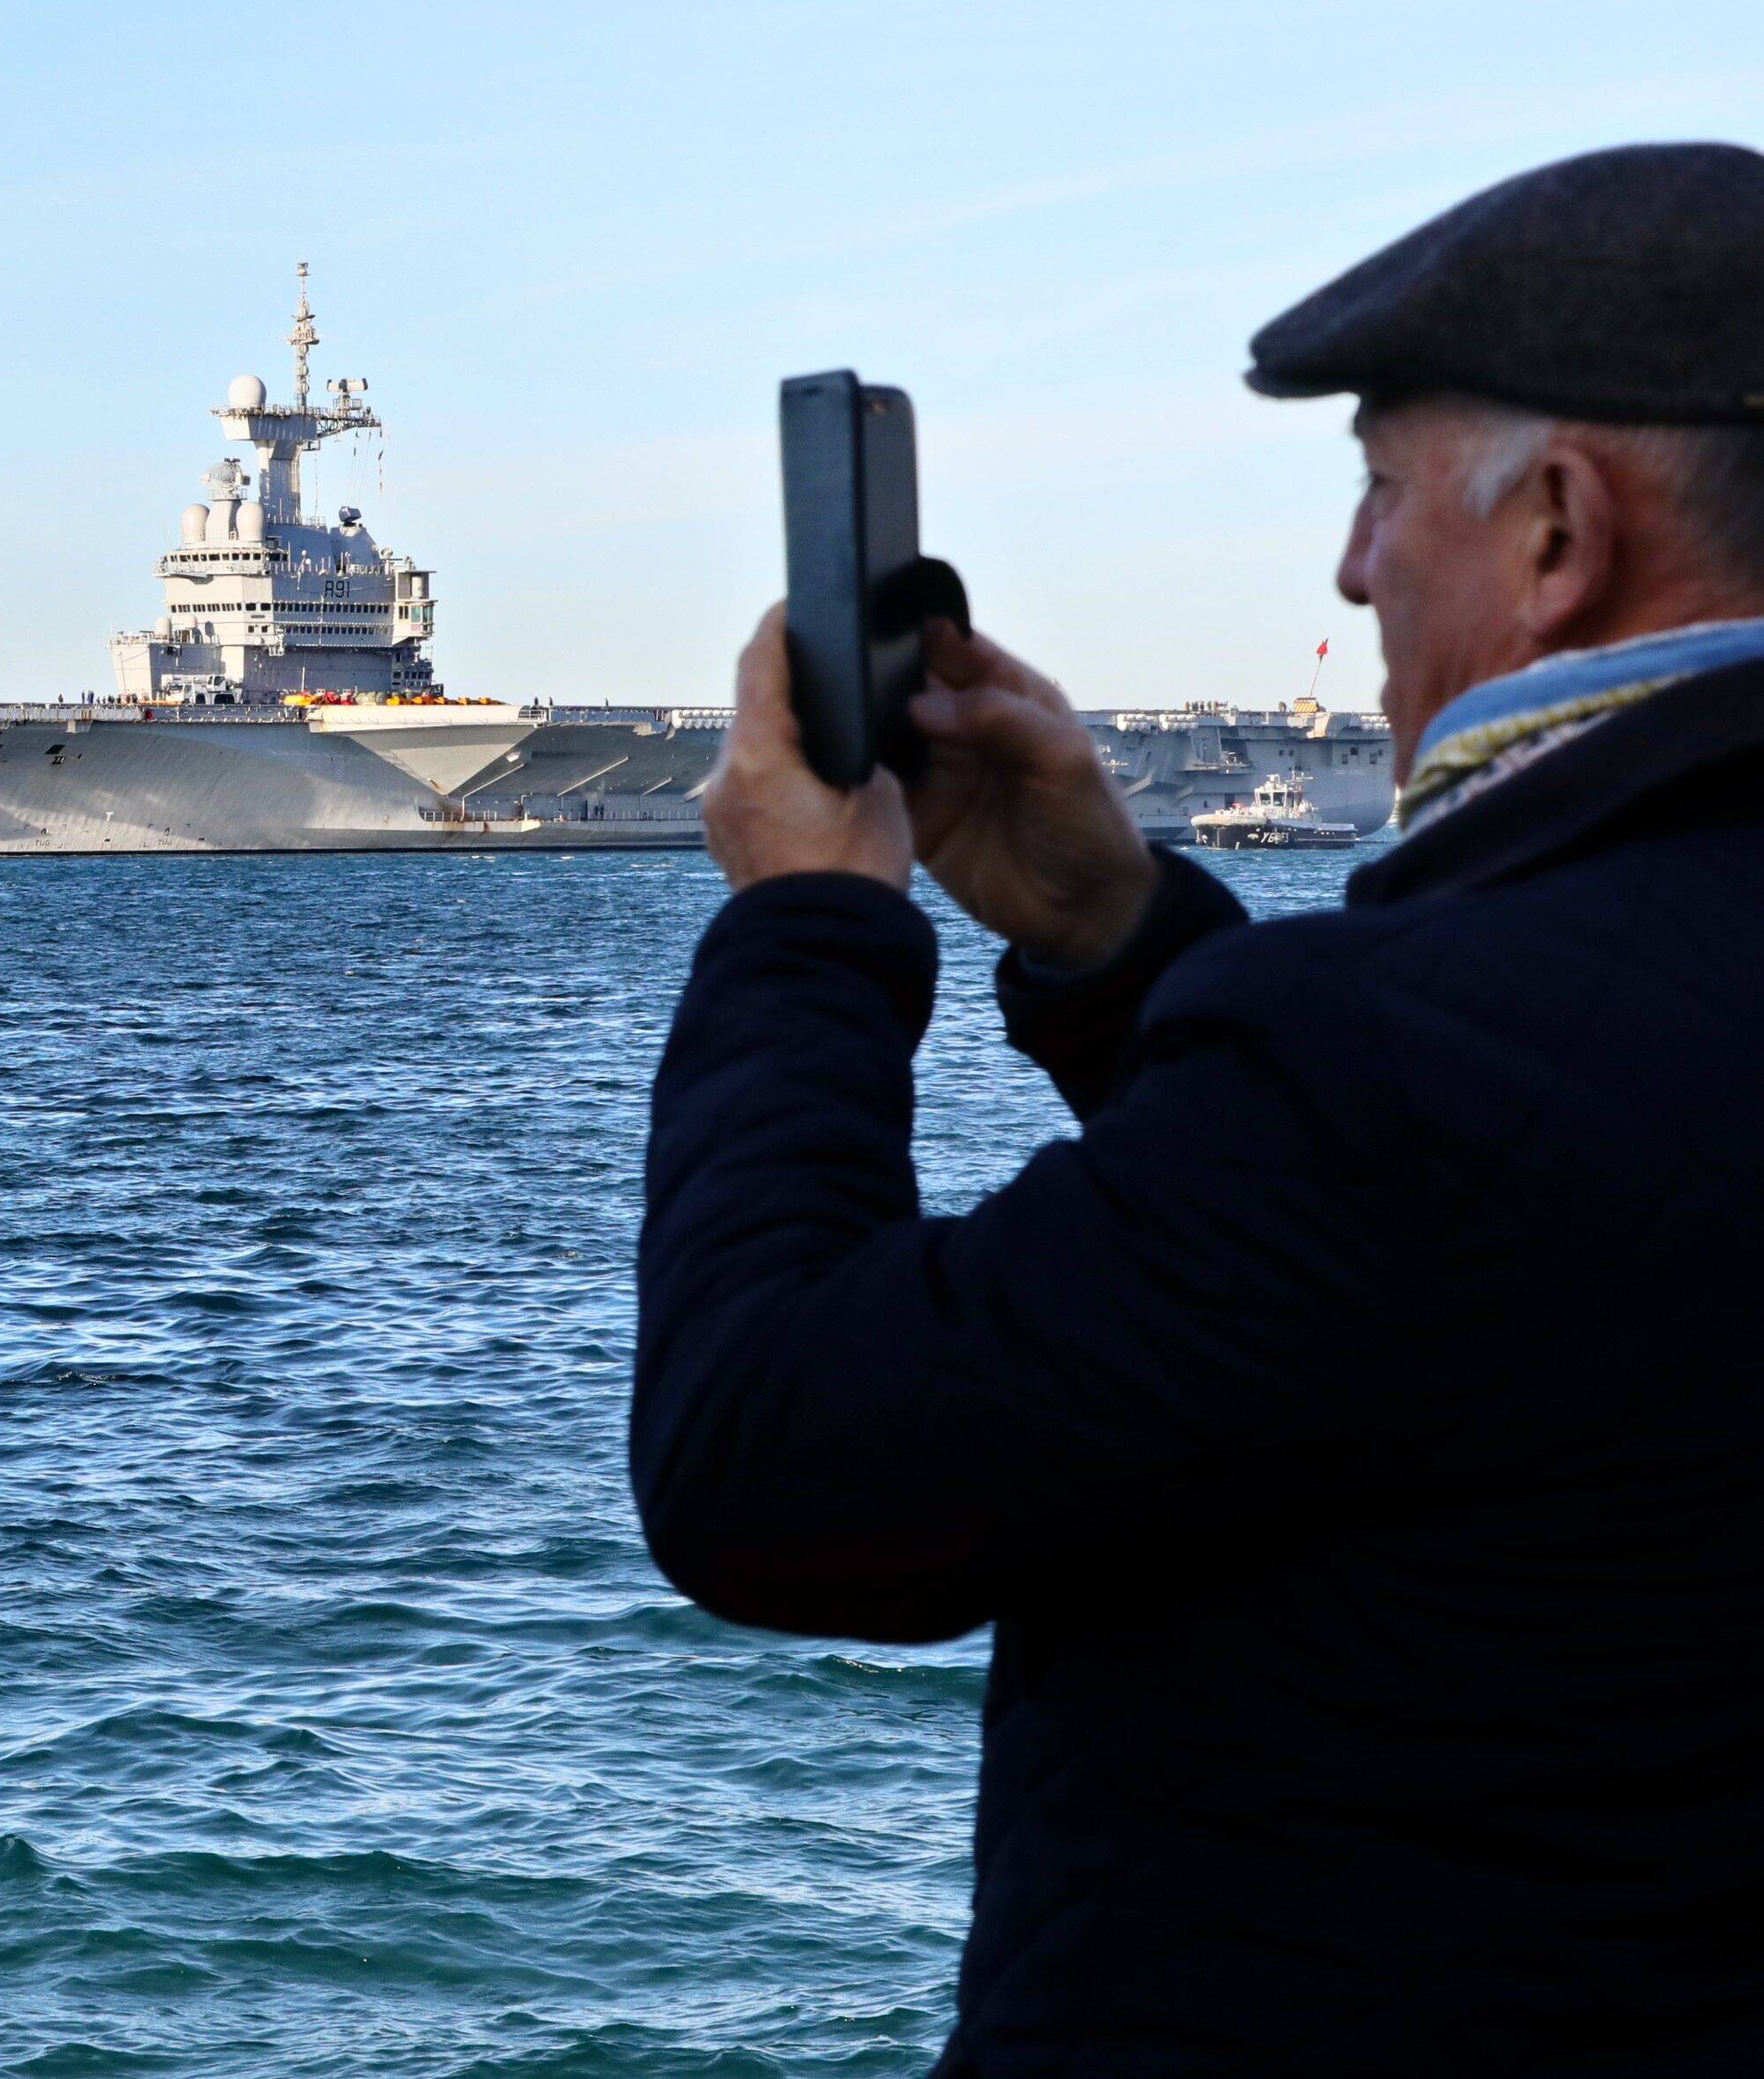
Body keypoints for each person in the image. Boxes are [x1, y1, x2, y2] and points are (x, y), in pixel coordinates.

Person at [637, 141, 1764, 2073]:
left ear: (1563, 528)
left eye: (1380, 490)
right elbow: (1502, 1228)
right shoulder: (1483, 1047)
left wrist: (814, 930)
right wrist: (1120, 927)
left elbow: (768, 1460)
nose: (1349, 565)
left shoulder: (1392, 1065)